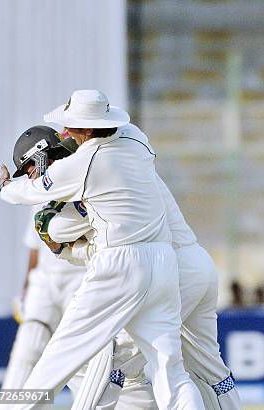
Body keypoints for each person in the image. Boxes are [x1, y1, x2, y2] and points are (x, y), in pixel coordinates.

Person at [0, 89, 204, 409]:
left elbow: (38, 201)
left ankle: (15, 406)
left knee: (59, 358)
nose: (70, 133)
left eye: (73, 126)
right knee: (170, 370)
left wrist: (7, 187)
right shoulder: (135, 139)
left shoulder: (83, 163)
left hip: (118, 266)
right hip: (162, 262)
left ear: (87, 129)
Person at [44, 123, 241, 410]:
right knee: (206, 367)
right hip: (195, 264)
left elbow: (59, 230)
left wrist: (54, 232)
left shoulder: (96, 174)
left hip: (172, 271)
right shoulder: (126, 160)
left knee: (115, 358)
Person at [0, 127, 86, 394]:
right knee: (28, 347)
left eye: (28, 167)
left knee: (82, 357)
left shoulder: (76, 173)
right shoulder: (39, 191)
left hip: (80, 279)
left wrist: (7, 187)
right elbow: (35, 247)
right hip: (46, 282)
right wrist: (28, 287)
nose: (28, 174)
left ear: (41, 155)